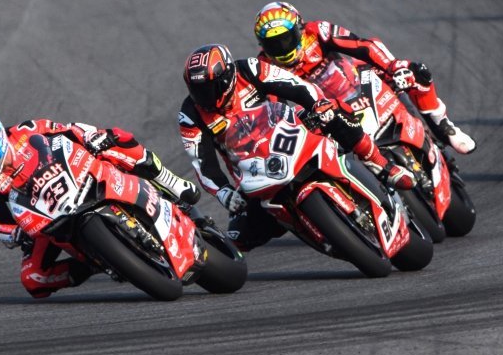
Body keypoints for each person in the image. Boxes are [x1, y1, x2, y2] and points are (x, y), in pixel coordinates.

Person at [178, 44, 417, 252]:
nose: (204, 97)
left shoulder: (249, 69)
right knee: (240, 236)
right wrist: (223, 193)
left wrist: (318, 105)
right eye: (197, 90)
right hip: (254, 172)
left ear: (227, 77)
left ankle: (381, 164)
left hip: (289, 130)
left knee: (335, 113)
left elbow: (296, 86)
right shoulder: (190, 115)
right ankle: (309, 227)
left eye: (209, 88)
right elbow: (202, 164)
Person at [0, 109, 201, 299]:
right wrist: (14, 235)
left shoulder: (26, 130)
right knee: (33, 279)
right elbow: (1, 224)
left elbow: (67, 130)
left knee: (115, 138)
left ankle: (169, 181)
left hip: (78, 175)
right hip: (47, 218)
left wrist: (91, 136)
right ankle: (93, 263)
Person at [253, 1, 475, 154]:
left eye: (286, 38)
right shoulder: (263, 67)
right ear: (263, 46)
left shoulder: (317, 31)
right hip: (327, 114)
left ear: (299, 29)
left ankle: (443, 126)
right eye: (273, 44)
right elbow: (274, 111)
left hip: (356, 85)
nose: (282, 48)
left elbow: (363, 46)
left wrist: (392, 66)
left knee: (416, 72)